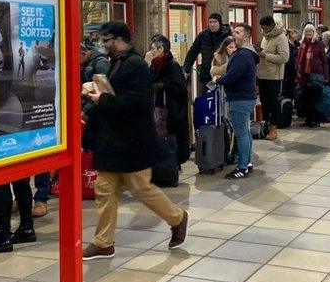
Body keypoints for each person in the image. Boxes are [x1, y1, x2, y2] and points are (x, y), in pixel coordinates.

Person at [81, 22, 189, 260]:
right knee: (105, 189)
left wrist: (102, 99)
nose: (103, 45)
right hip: (114, 141)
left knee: (142, 188)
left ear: (119, 39)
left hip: (133, 140)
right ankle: (103, 242)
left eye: (106, 40)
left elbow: (137, 102)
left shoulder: (136, 65)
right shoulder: (117, 63)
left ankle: (178, 218)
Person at [214, 24, 259, 179]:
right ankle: (247, 163)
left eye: (238, 32)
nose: (234, 34)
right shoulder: (247, 54)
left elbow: (232, 75)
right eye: (234, 31)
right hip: (246, 97)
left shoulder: (242, 55)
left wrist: (219, 80)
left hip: (240, 98)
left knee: (241, 134)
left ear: (245, 37)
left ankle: (242, 167)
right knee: (245, 132)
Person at [146, 36, 191, 164]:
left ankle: (173, 164)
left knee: (171, 139)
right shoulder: (154, 66)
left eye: (153, 49)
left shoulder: (172, 66)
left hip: (171, 111)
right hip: (158, 109)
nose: (151, 52)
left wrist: (163, 86)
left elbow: (180, 89)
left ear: (161, 49)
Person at [257, 15, 289, 139]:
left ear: (272, 26)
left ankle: (274, 129)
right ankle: (265, 127)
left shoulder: (281, 38)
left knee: (273, 103)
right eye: (262, 28)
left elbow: (284, 57)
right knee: (264, 103)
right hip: (263, 74)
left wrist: (265, 55)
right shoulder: (266, 37)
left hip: (274, 76)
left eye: (266, 28)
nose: (264, 31)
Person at [182, 13, 231, 94]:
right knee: (206, 99)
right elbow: (192, 53)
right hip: (206, 75)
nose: (212, 24)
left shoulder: (227, 36)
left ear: (220, 23)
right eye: (210, 22)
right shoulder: (203, 36)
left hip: (222, 74)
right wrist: (186, 70)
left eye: (215, 22)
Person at [296, 23, 327, 127]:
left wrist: (325, 76)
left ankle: (315, 120)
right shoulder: (302, 44)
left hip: (315, 75)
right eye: (306, 31)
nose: (308, 33)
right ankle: (308, 119)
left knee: (314, 99)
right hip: (304, 76)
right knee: (305, 99)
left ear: (314, 33)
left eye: (310, 31)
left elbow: (324, 60)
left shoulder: (319, 44)